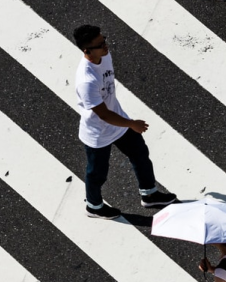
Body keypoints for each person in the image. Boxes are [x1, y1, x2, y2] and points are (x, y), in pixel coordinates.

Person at [73, 25, 177, 220]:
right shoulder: (86, 80)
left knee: (140, 154)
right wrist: (131, 124)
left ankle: (149, 194)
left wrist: (127, 123)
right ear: (86, 50)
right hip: (98, 132)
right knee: (97, 173)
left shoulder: (105, 56)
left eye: (104, 40)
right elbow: (103, 115)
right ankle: (93, 206)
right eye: (100, 44)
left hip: (118, 120)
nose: (106, 46)